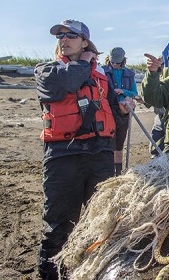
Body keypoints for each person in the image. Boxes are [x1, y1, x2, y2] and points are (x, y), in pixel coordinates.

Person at [35, 19, 134, 280]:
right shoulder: (47, 71)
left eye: (71, 36)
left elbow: (113, 112)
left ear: (84, 41)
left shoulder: (101, 76)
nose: (64, 40)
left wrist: (123, 110)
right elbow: (66, 84)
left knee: (100, 222)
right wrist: (86, 61)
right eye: (60, 36)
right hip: (63, 156)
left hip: (99, 155)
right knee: (59, 226)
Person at [103, 47, 138, 174]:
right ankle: (110, 170)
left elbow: (134, 92)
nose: (115, 65)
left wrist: (123, 91)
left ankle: (118, 170)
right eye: (113, 62)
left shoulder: (129, 73)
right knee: (110, 141)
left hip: (124, 111)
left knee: (120, 142)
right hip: (108, 110)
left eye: (117, 63)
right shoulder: (103, 71)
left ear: (123, 61)